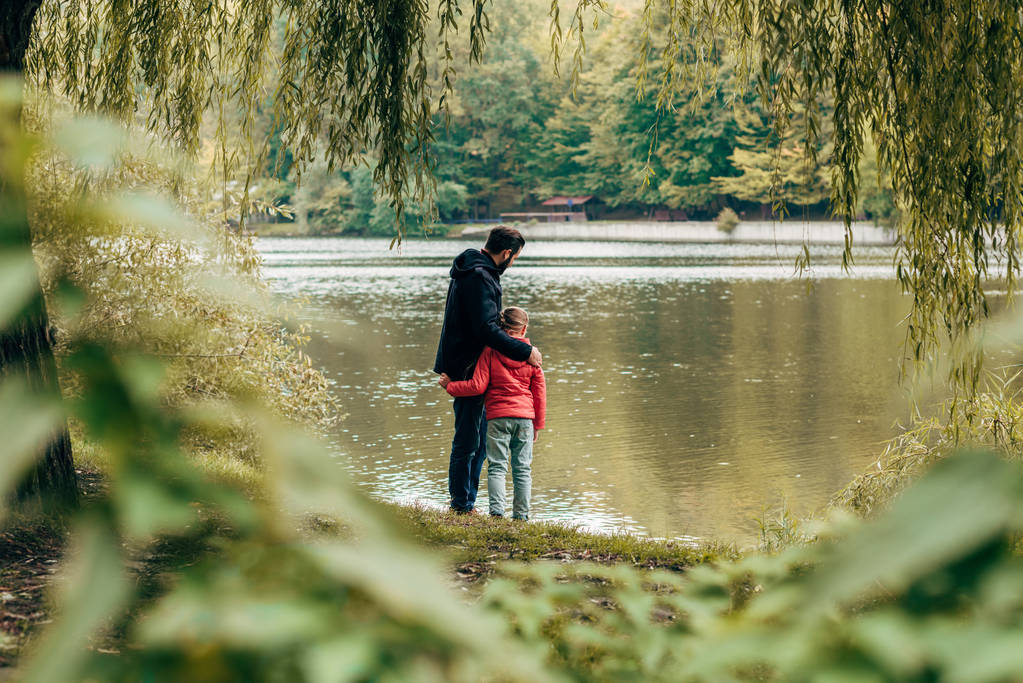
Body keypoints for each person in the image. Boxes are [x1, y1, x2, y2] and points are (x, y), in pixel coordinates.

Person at [434, 227, 542, 513]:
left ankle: (467, 502)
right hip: (469, 366)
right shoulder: (479, 277)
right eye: (515, 257)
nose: (513, 262)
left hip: (475, 365)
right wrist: (525, 351)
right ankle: (461, 505)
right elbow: (486, 329)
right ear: (506, 253)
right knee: (468, 442)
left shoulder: (477, 269)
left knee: (480, 441)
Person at [439, 307, 545, 520]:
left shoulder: (490, 351)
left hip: (497, 417)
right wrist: (538, 424)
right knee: (522, 469)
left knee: (497, 467)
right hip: (525, 419)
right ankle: (521, 516)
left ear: (500, 328)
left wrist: (451, 386)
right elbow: (540, 394)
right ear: (524, 329)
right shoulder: (533, 357)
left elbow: (477, 386)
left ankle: (496, 514)